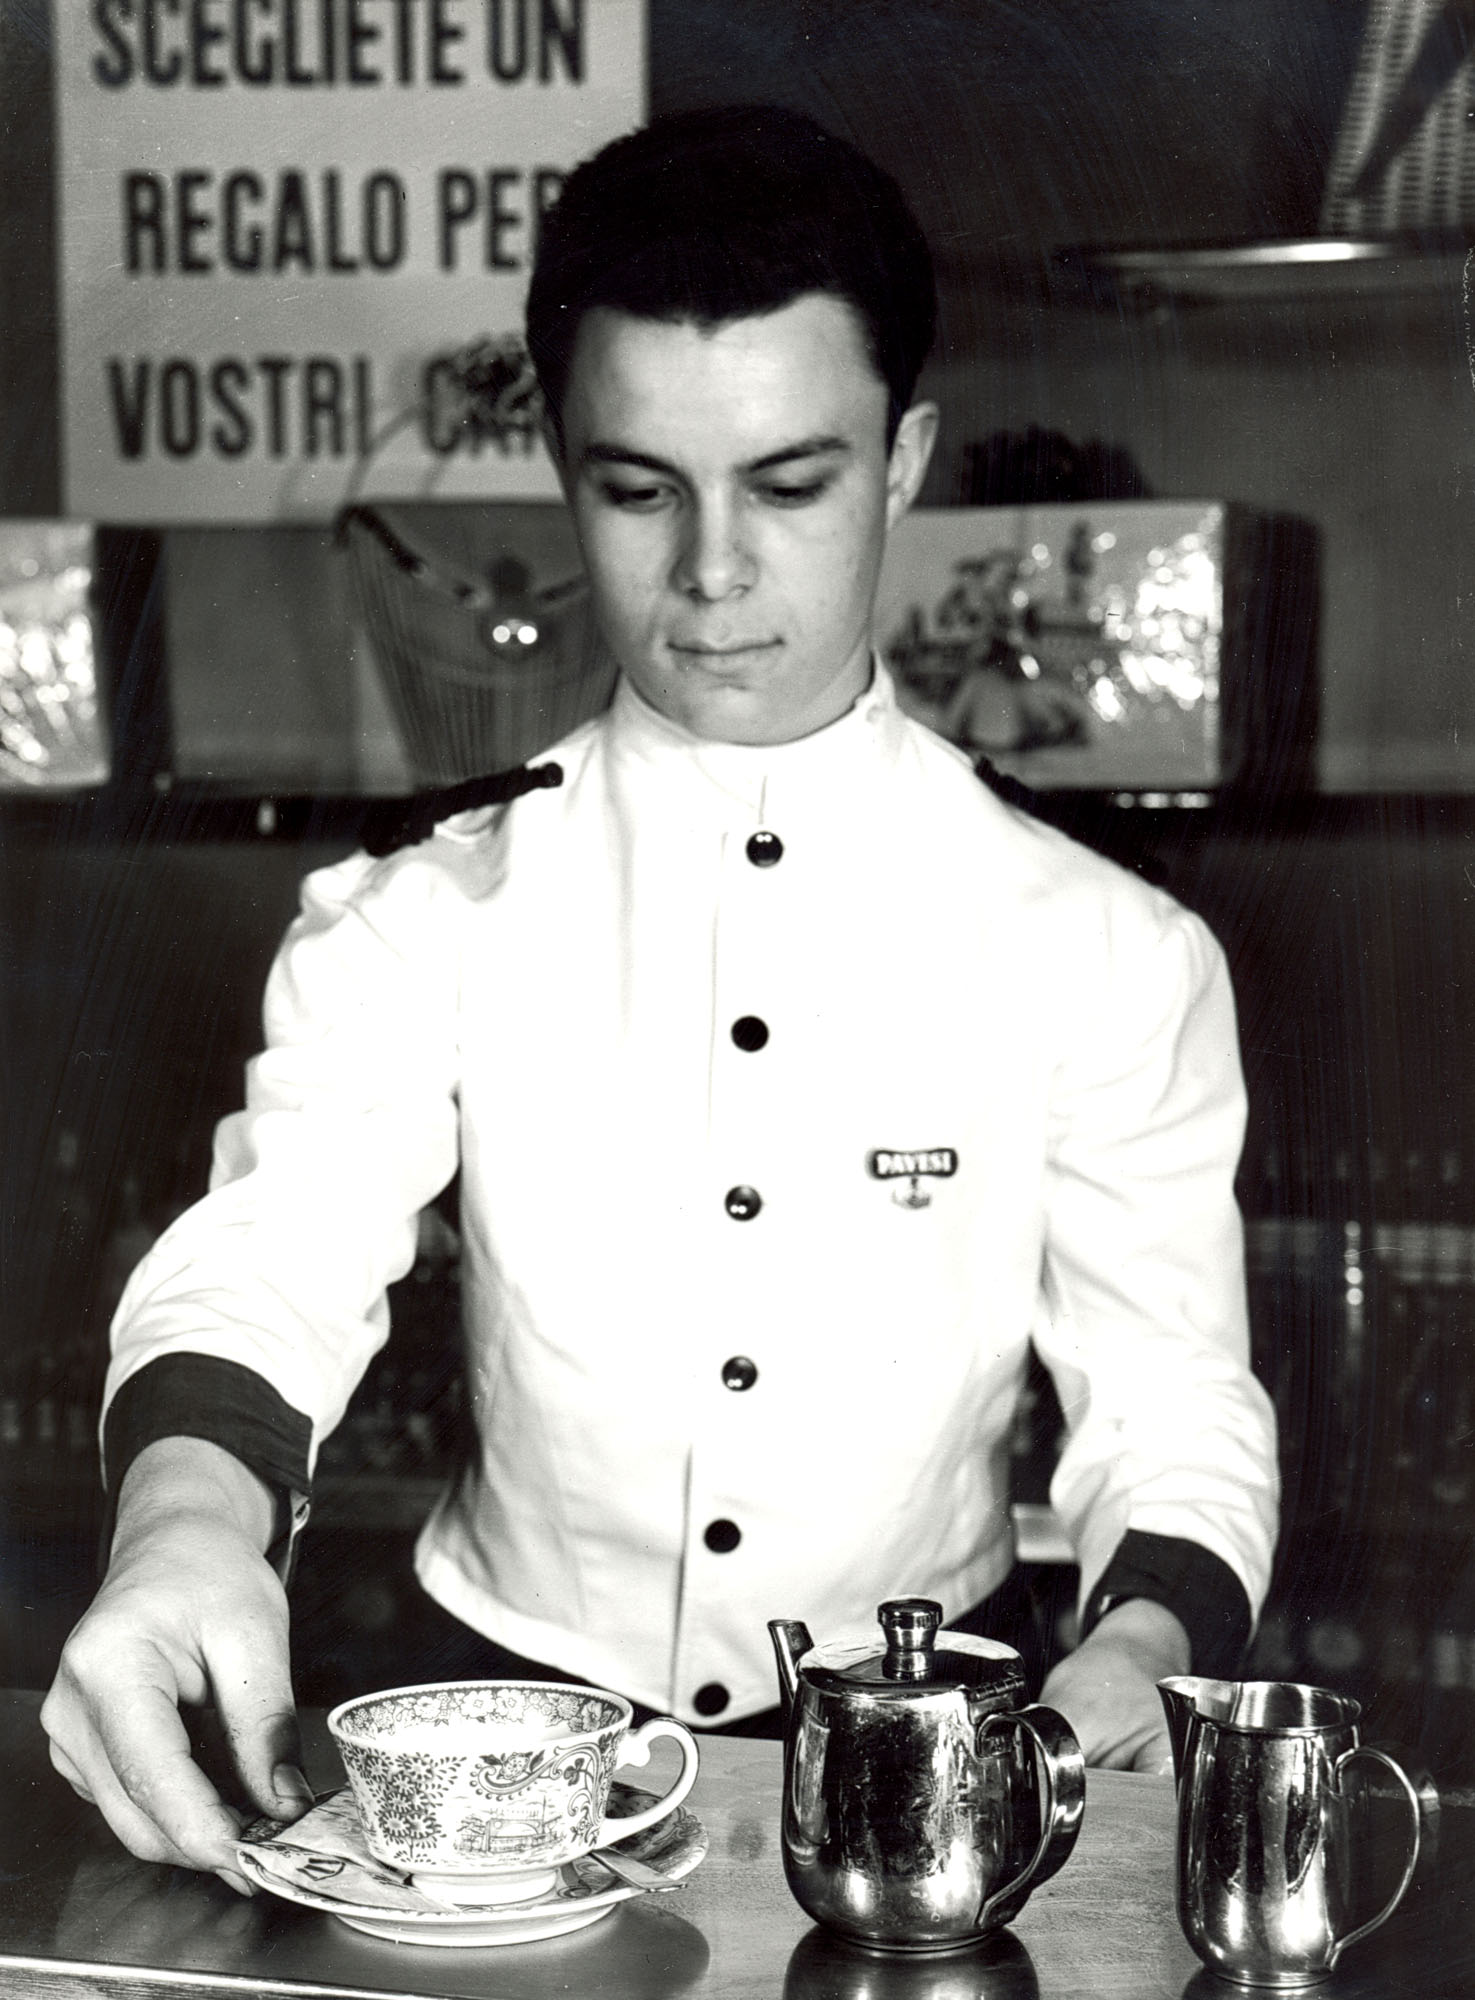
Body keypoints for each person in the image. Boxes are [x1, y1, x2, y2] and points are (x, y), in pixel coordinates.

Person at [42, 105, 1278, 1896]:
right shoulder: (427, 910)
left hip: (931, 1745)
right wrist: (181, 1527)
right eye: (639, 490)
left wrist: (1145, 1645)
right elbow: (278, 1245)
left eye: (791, 485)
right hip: (501, 1731)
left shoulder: (1105, 949)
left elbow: (1173, 1394)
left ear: (904, 456)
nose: (712, 575)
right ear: (562, 465)